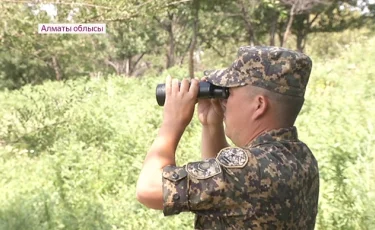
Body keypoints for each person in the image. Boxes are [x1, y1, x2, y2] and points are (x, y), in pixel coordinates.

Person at [136, 46, 319, 229]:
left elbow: (149, 189)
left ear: (259, 105)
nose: (223, 101)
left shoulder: (247, 169)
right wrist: (211, 125)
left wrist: (172, 122)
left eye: (229, 93)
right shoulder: (302, 158)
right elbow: (226, 195)